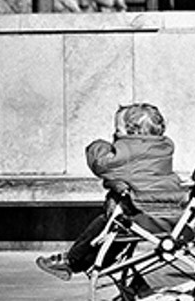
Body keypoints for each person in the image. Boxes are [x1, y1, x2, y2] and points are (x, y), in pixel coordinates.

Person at [35, 103, 185, 280]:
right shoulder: (163, 147)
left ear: (133, 133)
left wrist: (97, 145)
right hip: (168, 209)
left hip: (145, 211)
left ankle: (72, 261)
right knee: (117, 228)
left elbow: (101, 164)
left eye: (117, 131)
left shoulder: (129, 151)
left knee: (106, 224)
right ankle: (108, 266)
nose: (115, 135)